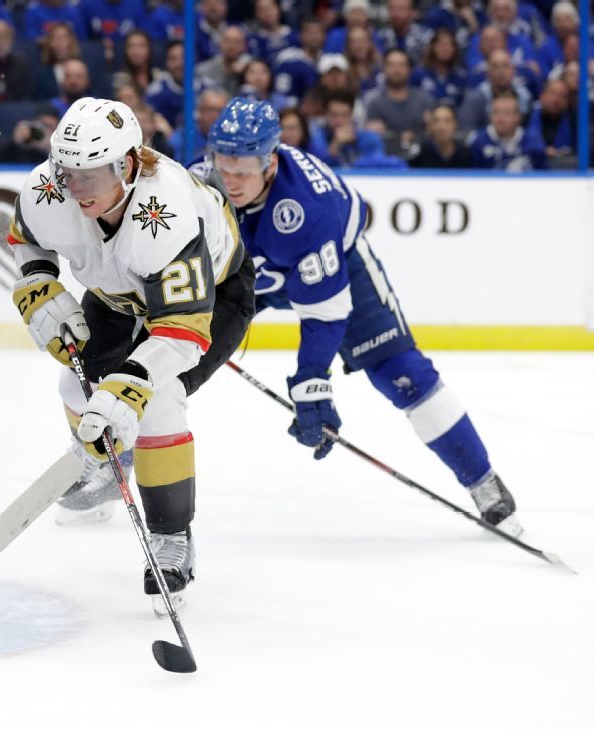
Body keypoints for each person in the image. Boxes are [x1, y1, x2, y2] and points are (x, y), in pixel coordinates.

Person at [199, 99, 522, 537]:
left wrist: (312, 385)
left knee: (402, 373)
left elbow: (324, 314)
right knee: (171, 352)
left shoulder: (309, 208)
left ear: (270, 161)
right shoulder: (196, 183)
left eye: (244, 170)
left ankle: (483, 480)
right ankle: (116, 456)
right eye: (224, 165)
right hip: (244, 274)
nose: (231, 181)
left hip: (339, 268)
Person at [6, 98, 254, 600]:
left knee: (159, 402)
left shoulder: (166, 212)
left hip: (213, 295)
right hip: (117, 294)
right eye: (67, 171)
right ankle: (102, 461)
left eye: (90, 175)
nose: (74, 188)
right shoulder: (49, 188)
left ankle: (171, 537)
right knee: (76, 387)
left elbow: (182, 333)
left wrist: (132, 384)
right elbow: (26, 237)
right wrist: (37, 282)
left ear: (127, 165)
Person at [363, 48, 436, 153]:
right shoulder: (375, 103)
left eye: (401, 65)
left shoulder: (425, 100)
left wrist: (430, 128)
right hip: (387, 159)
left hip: (422, 159)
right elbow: (374, 139)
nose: (396, 70)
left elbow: (433, 135)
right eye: (391, 65)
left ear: (409, 69)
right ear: (384, 69)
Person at [466, 90, 547, 170]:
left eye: (507, 113)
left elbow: (544, 176)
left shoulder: (533, 142)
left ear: (518, 116)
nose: (500, 118)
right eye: (496, 112)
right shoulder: (479, 141)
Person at [408, 103, 474, 168]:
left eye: (447, 121)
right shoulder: (419, 153)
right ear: (430, 125)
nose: (442, 127)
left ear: (456, 124)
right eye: (436, 121)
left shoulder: (465, 153)